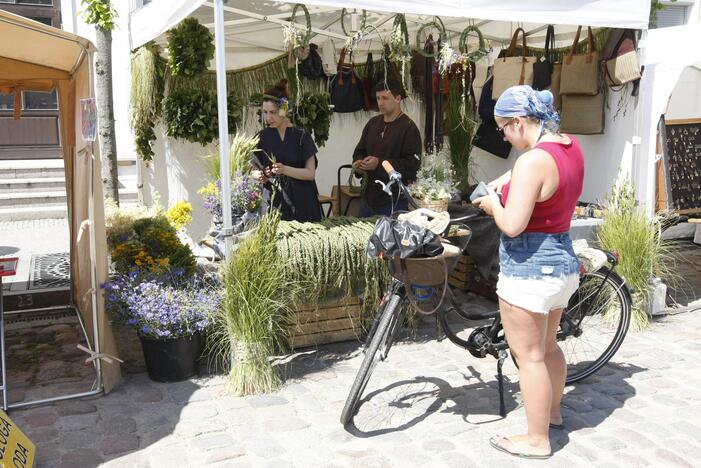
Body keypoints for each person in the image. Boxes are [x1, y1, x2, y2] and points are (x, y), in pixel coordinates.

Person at [473, 85, 584, 460]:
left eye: (504, 127)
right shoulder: (568, 146)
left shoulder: (531, 162)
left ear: (519, 121)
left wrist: (492, 205)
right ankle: (551, 415)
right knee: (549, 347)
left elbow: (513, 224)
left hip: (530, 270)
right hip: (562, 264)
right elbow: (545, 184)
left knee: (529, 356)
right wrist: (510, 179)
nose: (502, 134)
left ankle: (537, 440)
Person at [252, 80, 323, 222]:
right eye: (265, 112)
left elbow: (310, 173)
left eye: (272, 112)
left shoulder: (302, 136)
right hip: (274, 204)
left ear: (284, 110)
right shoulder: (261, 137)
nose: (268, 118)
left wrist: (284, 169)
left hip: (304, 202)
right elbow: (253, 169)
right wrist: (258, 175)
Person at [352, 80, 422, 217]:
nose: (380, 103)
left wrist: (379, 164)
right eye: (378, 98)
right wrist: (359, 164)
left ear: (397, 98)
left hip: (394, 200)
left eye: (385, 98)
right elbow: (360, 151)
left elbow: (412, 165)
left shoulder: (408, 128)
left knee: (390, 238)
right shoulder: (372, 124)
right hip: (369, 198)